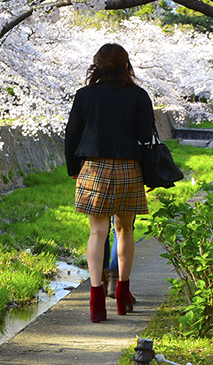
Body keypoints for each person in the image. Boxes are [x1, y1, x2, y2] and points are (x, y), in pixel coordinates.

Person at [64, 43, 154, 323]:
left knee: (97, 233)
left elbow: (72, 135)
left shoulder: (84, 95)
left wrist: (73, 169)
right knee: (124, 229)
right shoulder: (138, 95)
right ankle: (123, 294)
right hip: (128, 166)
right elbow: (145, 135)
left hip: (93, 167)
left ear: (97, 64)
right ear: (126, 65)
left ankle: (95, 299)